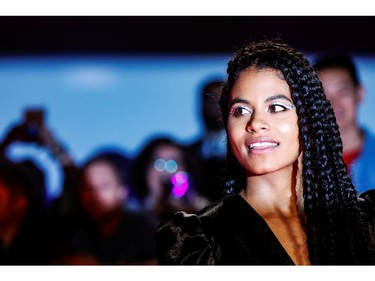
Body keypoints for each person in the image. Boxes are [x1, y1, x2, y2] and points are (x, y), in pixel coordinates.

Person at [155, 39, 375, 265]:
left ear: (309, 121)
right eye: (240, 110)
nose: (256, 122)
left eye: (276, 107)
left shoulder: (365, 222)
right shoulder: (199, 238)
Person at [50, 150, 157, 265]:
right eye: (89, 187)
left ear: (122, 191)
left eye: (105, 186)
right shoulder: (70, 231)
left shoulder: (145, 228)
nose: (95, 195)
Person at [313, 54, 375, 194]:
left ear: (360, 94)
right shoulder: (300, 163)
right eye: (322, 94)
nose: (333, 103)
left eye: (343, 92)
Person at [131, 136, 209, 224]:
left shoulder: (203, 212)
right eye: (159, 163)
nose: (166, 169)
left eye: (174, 163)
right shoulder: (131, 217)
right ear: (145, 170)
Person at [189, 78, 227, 202]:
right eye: (209, 100)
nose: (214, 106)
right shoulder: (188, 153)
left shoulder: (244, 151)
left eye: (220, 99)